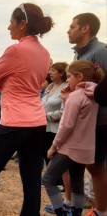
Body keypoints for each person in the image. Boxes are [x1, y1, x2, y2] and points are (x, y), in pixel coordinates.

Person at [0, 3, 53, 216]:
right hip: (37, 120)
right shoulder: (44, 52)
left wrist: (2, 82)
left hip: (15, 120)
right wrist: (5, 82)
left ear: (22, 24)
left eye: (11, 22)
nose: (9, 27)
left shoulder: (16, 49)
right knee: (32, 178)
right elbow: (31, 81)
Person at [42, 60, 104, 216]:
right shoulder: (95, 95)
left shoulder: (77, 95)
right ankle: (75, 213)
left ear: (80, 76)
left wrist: (54, 146)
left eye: (69, 77)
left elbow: (66, 125)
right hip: (86, 148)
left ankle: (61, 212)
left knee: (48, 180)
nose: (67, 81)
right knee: (77, 182)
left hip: (69, 147)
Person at [67, 13, 107, 216]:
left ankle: (101, 211)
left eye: (72, 26)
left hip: (100, 121)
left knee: (96, 166)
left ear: (85, 29)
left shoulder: (100, 51)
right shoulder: (79, 54)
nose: (68, 30)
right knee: (86, 165)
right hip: (85, 120)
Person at [40, 62, 70, 214]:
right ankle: (60, 200)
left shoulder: (66, 88)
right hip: (44, 129)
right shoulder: (49, 87)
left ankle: (67, 200)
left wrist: (46, 116)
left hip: (56, 130)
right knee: (48, 160)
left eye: (53, 70)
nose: (50, 72)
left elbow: (65, 111)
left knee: (60, 166)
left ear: (61, 73)